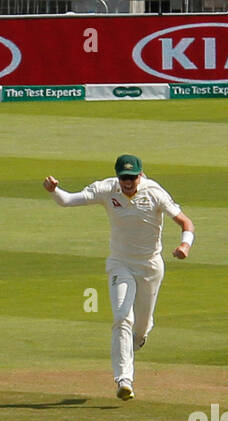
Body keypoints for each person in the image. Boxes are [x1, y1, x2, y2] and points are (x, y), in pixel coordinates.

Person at [43, 154, 195, 401]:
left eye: (132, 177)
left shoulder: (154, 192)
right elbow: (69, 200)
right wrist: (54, 191)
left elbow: (185, 222)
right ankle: (124, 380)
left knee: (141, 328)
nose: (128, 182)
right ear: (117, 177)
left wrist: (185, 246)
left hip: (150, 267)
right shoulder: (106, 189)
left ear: (140, 175)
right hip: (120, 264)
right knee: (122, 317)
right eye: (124, 177)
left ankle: (140, 337)